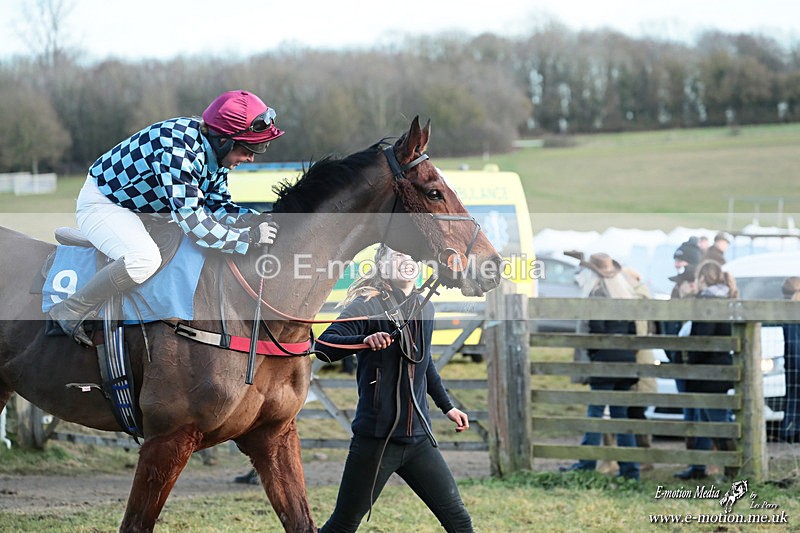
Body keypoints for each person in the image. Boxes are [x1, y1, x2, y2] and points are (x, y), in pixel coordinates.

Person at [48, 90, 282, 346]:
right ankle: (70, 310)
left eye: (257, 149)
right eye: (248, 149)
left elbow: (218, 206)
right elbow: (196, 225)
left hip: (141, 211)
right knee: (144, 260)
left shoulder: (212, 153)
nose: (250, 157)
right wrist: (247, 239)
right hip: (104, 204)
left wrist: (257, 219)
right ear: (224, 141)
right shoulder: (178, 151)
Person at [315, 245, 473, 533]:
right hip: (377, 440)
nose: (407, 259)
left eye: (411, 255)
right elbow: (323, 347)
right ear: (382, 266)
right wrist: (365, 339)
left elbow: (424, 363)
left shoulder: (425, 306)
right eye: (398, 255)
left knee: (459, 520)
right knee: (342, 525)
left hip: (418, 440)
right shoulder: (367, 304)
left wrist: (447, 406)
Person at [560, 253, 640, 481]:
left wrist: (596, 356)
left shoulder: (596, 295)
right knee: (621, 416)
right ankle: (630, 471)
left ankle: (586, 464)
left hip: (604, 364)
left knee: (595, 413)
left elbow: (595, 331)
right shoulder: (624, 296)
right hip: (626, 363)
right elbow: (633, 332)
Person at [674, 260, 739, 480]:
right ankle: (699, 468)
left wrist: (691, 356)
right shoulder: (727, 297)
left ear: (702, 278)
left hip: (707, 370)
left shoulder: (708, 300)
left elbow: (703, 337)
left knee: (717, 421)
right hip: (720, 367)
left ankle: (733, 469)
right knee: (705, 419)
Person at [780, 276, 800, 443]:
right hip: (793, 363)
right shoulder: (791, 313)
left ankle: (790, 429)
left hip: (792, 364)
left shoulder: (785, 312)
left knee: (792, 396)